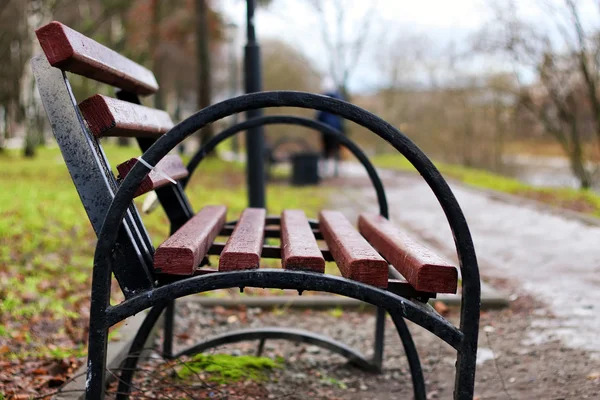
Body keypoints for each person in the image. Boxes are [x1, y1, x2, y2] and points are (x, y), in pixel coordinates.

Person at [315, 89, 345, 177]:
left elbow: (318, 117)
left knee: (326, 150)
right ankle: (336, 170)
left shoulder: (323, 104)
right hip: (336, 130)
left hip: (325, 129)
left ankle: (325, 169)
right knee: (336, 150)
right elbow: (341, 120)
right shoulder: (339, 103)